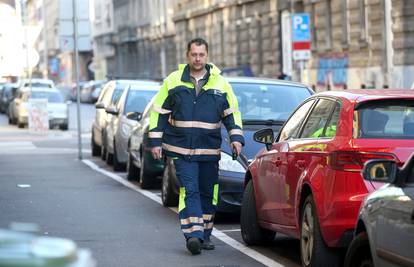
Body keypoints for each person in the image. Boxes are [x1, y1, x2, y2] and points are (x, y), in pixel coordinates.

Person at [148, 38, 244, 255]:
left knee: (207, 193)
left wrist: (236, 138)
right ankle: (193, 235)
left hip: (209, 151)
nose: (198, 58)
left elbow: (232, 114)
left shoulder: (221, 83)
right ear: (187, 55)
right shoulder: (173, 81)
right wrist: (155, 141)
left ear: (207, 56)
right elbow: (159, 113)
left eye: (201, 54)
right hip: (181, 151)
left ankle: (205, 235)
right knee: (190, 190)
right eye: (194, 54)